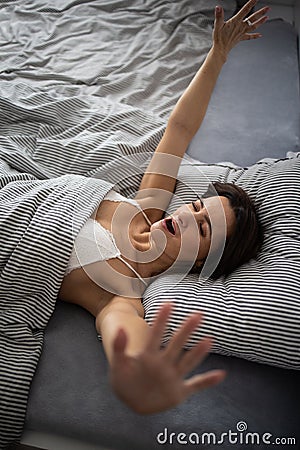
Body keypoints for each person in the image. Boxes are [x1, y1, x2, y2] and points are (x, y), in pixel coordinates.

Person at [59, 0, 267, 414]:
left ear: (202, 262)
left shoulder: (123, 291)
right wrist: (217, 55)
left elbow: (124, 337)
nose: (188, 215)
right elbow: (180, 128)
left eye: (204, 229)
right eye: (195, 206)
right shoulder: (147, 208)